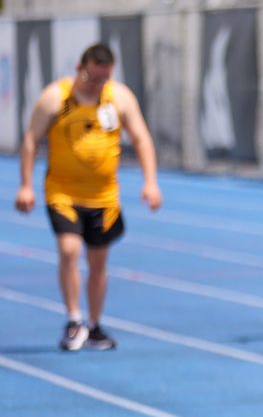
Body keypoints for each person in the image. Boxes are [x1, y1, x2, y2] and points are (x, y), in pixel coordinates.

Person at [14, 43, 161, 351]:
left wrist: (150, 182)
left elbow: (141, 138)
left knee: (98, 262)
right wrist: (25, 185)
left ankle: (94, 325)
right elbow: (31, 140)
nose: (98, 84)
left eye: (104, 78)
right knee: (69, 251)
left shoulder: (119, 98)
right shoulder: (56, 97)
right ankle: (73, 319)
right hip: (63, 192)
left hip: (104, 197)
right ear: (80, 69)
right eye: (93, 77)